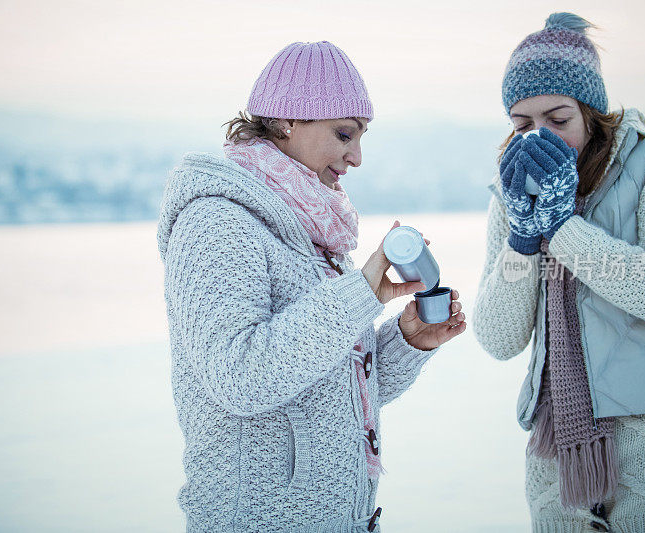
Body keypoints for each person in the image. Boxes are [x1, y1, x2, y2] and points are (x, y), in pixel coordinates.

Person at [157, 41, 466, 532]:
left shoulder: (310, 228)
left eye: (362, 137)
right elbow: (240, 378)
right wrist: (362, 289)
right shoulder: (216, 222)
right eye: (345, 133)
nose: (357, 156)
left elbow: (327, 393)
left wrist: (407, 341)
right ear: (286, 121)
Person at [473, 12, 645, 533]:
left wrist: (562, 228)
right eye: (522, 126)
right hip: (557, 457)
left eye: (558, 119)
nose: (542, 139)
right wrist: (523, 234)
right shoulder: (517, 192)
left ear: (592, 110)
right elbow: (499, 337)